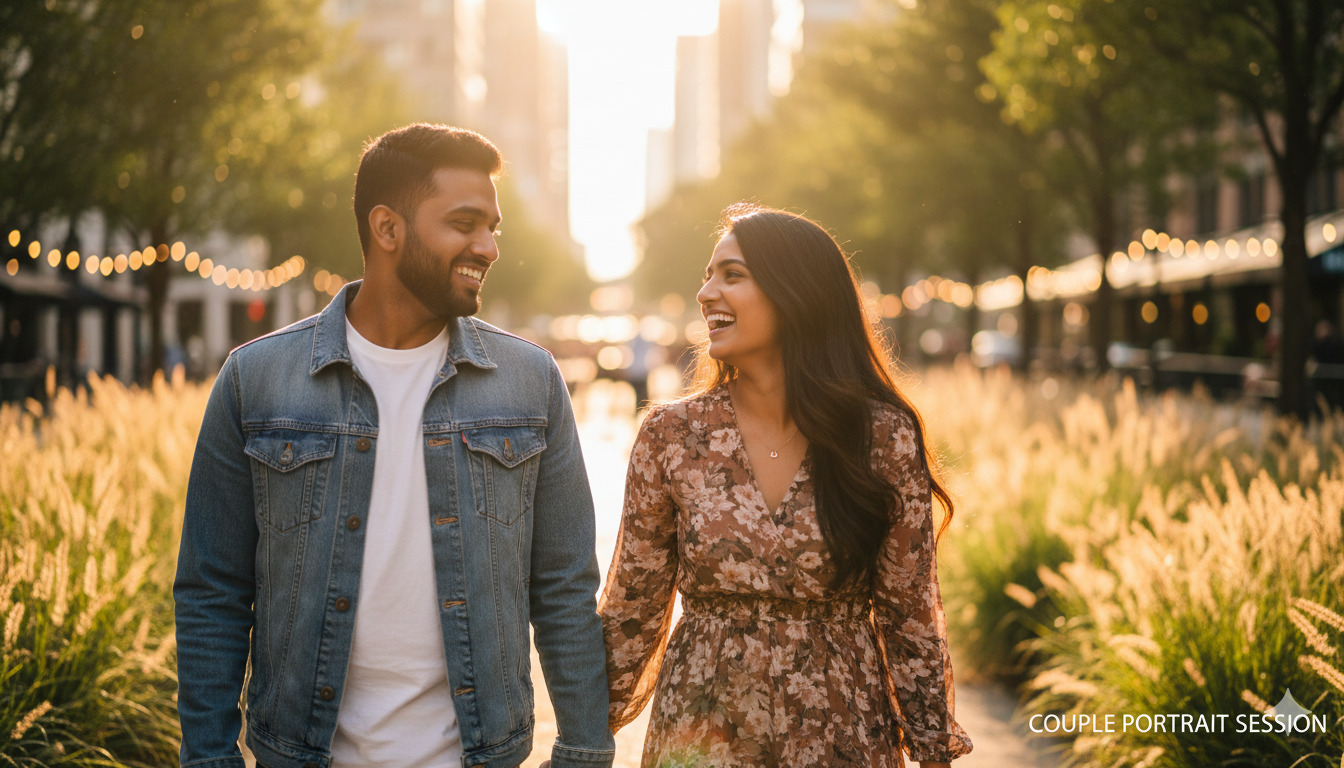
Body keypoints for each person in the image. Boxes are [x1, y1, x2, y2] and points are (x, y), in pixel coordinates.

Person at [174, 123, 615, 768]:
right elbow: (214, 590)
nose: (488, 246)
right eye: (465, 223)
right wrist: (210, 759)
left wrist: (582, 752)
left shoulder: (530, 382)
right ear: (387, 229)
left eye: (494, 227)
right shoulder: (255, 379)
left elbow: (563, 587)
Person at [599, 203, 973, 767]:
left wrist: (933, 750)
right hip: (702, 735)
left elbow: (910, 614)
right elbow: (632, 608)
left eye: (732, 275)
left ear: (796, 293)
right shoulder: (672, 435)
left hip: (841, 733)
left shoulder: (881, 438)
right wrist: (583, 732)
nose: (705, 293)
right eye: (708, 274)